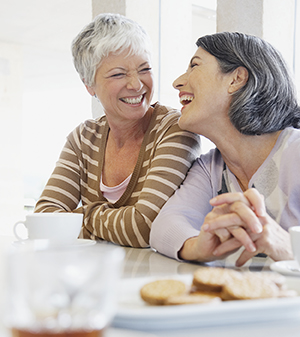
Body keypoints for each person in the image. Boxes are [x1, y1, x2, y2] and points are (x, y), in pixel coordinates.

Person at [34, 13, 200, 247]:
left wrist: (83, 215)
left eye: (144, 69)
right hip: (94, 277)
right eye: (119, 74)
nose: (136, 84)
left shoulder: (174, 129)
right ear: (89, 85)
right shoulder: (83, 139)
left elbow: (145, 228)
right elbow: (43, 222)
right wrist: (119, 223)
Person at [150, 32, 300, 267]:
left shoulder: (296, 153)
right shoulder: (210, 167)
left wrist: (289, 248)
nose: (178, 82)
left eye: (194, 66)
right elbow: (164, 227)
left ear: (236, 79)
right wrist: (198, 246)